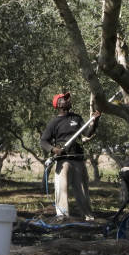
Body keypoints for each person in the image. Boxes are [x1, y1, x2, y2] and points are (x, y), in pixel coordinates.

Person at [40, 92, 100, 221]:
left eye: (68, 99)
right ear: (58, 104)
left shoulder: (77, 118)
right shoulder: (54, 122)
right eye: (65, 99)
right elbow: (43, 141)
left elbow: (88, 133)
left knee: (83, 192)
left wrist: (95, 120)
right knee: (62, 190)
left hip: (78, 159)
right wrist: (53, 149)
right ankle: (62, 217)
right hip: (63, 161)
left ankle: (88, 218)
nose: (68, 100)